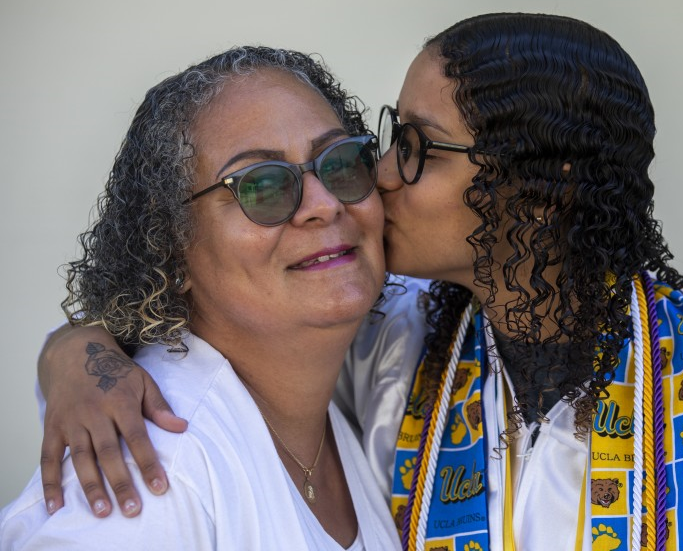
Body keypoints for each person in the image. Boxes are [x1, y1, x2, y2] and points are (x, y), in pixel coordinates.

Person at [28, 13, 683, 551]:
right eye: (385, 140)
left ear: (544, 185)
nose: (375, 178)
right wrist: (80, 355)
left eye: (415, 147)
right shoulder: (392, 342)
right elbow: (215, 314)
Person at [0, 45, 401, 550]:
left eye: (340, 162)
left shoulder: (355, 400)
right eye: (261, 187)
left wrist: (71, 347)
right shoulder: (151, 482)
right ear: (169, 246)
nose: (323, 204)